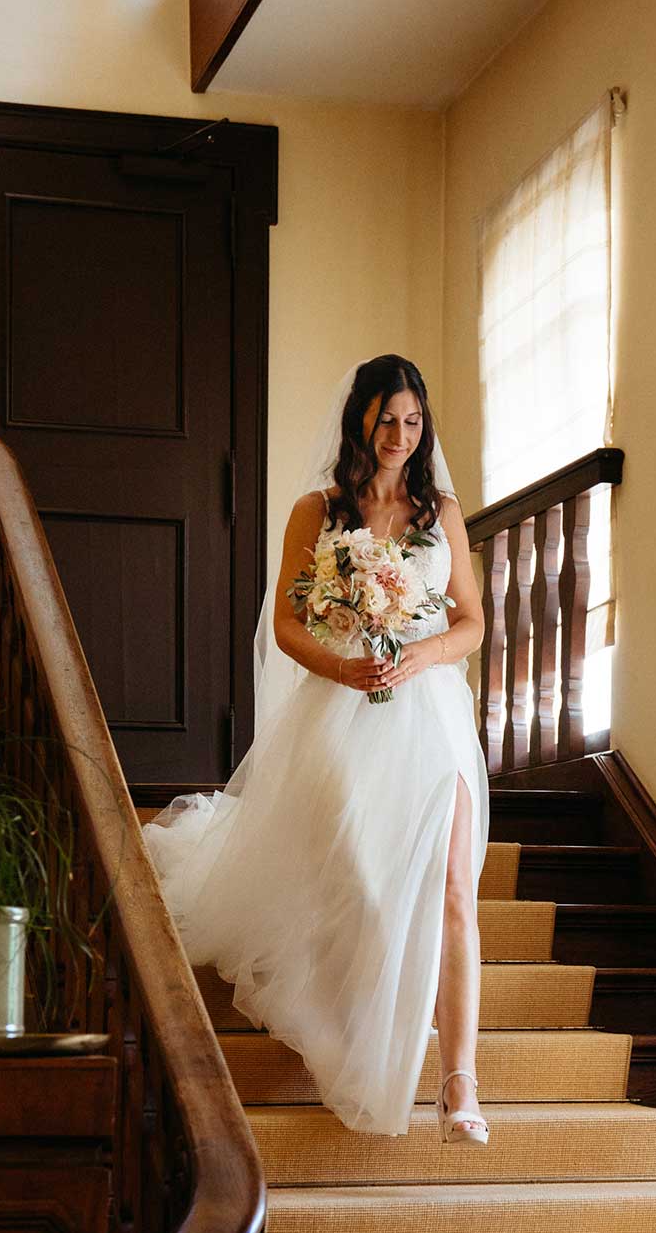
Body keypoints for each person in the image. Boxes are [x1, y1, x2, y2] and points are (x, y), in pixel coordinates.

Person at [142, 354, 491, 1141]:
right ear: (359, 420)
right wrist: (345, 663)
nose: (401, 436)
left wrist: (424, 655)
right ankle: (350, 1028)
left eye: (413, 421)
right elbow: (286, 624)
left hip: (431, 714)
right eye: (387, 420)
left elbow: (469, 619)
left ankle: (458, 1080)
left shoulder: (441, 513)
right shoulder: (319, 511)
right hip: (342, 709)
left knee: (453, 892)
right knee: (363, 881)